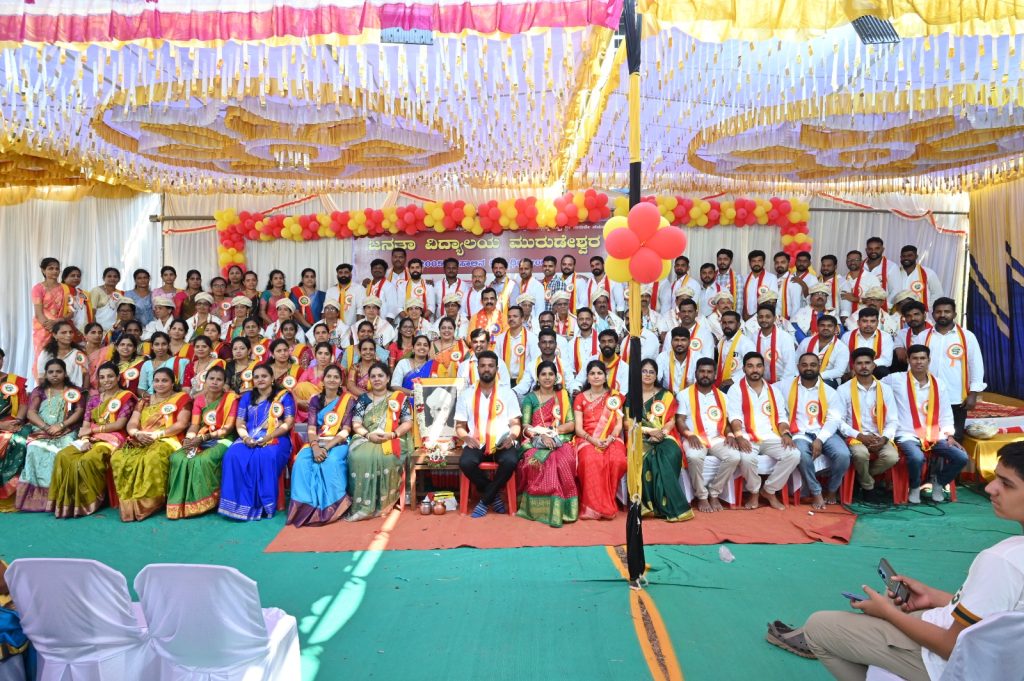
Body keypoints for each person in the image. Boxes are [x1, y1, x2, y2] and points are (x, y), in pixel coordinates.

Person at [796, 442, 1024, 681]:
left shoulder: (1003, 560)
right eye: (996, 478)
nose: (990, 488)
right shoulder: (1010, 555)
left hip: (947, 664)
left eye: (1007, 484)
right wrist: (931, 596)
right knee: (891, 602)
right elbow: (999, 616)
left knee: (818, 627)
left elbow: (953, 647)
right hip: (998, 662)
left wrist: (888, 614)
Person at [49, 362, 135, 518]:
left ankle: (88, 502)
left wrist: (93, 431)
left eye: (110, 376)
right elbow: (86, 424)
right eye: (102, 377)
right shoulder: (94, 399)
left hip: (113, 438)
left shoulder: (126, 397)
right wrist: (85, 439)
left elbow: (119, 424)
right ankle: (67, 503)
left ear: (118, 377)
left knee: (88, 459)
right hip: (90, 437)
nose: (106, 380)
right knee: (63, 455)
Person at [885, 345, 969, 505]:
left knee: (961, 457)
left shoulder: (939, 383)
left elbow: (945, 412)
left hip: (934, 435)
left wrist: (949, 434)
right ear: (908, 360)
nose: (919, 362)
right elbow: (875, 388)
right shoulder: (895, 379)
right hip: (907, 434)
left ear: (929, 360)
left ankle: (939, 482)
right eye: (915, 358)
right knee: (916, 457)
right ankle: (915, 486)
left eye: (922, 358)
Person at [110, 368, 191, 521]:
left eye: (164, 380)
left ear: (172, 382)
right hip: (141, 438)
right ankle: (129, 504)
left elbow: (182, 424)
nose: (160, 384)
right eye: (156, 381)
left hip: (167, 438)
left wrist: (157, 434)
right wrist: (136, 433)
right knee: (119, 457)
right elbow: (132, 422)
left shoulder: (182, 398)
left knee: (151, 458)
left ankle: (149, 503)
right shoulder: (144, 400)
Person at [724, 352, 801, 510]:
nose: (755, 370)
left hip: (770, 436)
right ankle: (754, 492)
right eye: (750, 366)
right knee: (746, 458)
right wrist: (739, 436)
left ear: (763, 368)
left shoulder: (773, 391)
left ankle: (769, 490)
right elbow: (734, 417)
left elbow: (781, 417)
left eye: (759, 366)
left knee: (794, 454)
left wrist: (786, 433)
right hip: (747, 437)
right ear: (744, 369)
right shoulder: (735, 389)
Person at [219, 363, 295, 521]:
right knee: (232, 455)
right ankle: (234, 505)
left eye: (264, 376)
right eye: (256, 377)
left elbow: (288, 423)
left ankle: (262, 506)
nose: (260, 379)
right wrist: (245, 437)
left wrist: (268, 437)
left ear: (272, 378)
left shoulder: (283, 396)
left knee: (264, 457)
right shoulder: (247, 397)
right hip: (249, 436)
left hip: (276, 437)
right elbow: (240, 422)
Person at [678, 358, 755, 512]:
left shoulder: (723, 397)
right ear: (696, 373)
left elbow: (726, 422)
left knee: (734, 456)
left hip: (717, 438)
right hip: (694, 437)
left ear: (714, 375)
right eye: (702, 371)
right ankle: (701, 496)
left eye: (709, 372)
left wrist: (730, 435)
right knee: (693, 456)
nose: (705, 375)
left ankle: (714, 493)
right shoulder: (684, 395)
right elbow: (679, 420)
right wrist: (689, 434)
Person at [456, 351, 522, 518]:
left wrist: (512, 437)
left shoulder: (507, 393)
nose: (487, 369)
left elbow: (516, 424)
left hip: (501, 441)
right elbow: (459, 426)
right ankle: (493, 495)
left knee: (511, 461)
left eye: (491, 366)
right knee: (466, 463)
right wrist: (466, 437)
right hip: (477, 441)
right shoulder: (467, 394)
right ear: (477, 368)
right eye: (483, 365)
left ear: (497, 369)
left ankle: (485, 500)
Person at [166, 366, 238, 519]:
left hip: (223, 439)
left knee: (203, 460)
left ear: (224, 383)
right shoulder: (199, 399)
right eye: (211, 378)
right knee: (178, 458)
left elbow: (228, 428)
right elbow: (194, 424)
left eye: (219, 380)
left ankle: (205, 502)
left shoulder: (231, 399)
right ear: (205, 381)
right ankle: (180, 504)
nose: (215, 382)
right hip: (200, 436)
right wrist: (189, 438)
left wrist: (203, 438)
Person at [780, 353, 851, 508]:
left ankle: (832, 490)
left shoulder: (830, 392)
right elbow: (765, 389)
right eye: (804, 365)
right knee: (801, 454)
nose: (808, 368)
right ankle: (816, 492)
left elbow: (833, 420)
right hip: (799, 433)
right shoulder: (785, 386)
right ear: (798, 367)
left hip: (824, 431)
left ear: (819, 367)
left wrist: (820, 439)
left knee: (843, 455)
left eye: (813, 365)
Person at [15, 359, 85, 512]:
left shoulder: (73, 391)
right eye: (51, 372)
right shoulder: (39, 391)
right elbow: (31, 412)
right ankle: (35, 500)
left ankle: (58, 499)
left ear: (65, 373)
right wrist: (46, 427)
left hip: (66, 431)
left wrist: (61, 425)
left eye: (58, 371)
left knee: (64, 452)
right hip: (41, 431)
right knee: (34, 449)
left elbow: (79, 411)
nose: (55, 375)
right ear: (46, 374)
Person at [288, 365, 353, 527]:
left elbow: (346, 430)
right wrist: (316, 447)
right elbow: (311, 428)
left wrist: (325, 448)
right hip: (316, 440)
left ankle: (332, 507)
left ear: (341, 381)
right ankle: (304, 508)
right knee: (301, 461)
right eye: (329, 376)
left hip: (338, 442)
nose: (332, 380)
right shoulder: (315, 400)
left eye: (336, 377)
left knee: (331, 462)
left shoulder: (348, 400)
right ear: (323, 380)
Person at [346, 362, 412, 521]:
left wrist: (393, 434)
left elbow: (407, 422)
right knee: (358, 456)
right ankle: (362, 505)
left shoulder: (398, 398)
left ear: (388, 378)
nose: (376, 379)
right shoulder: (363, 398)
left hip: (392, 437)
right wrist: (368, 435)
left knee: (387, 457)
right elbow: (356, 423)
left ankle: (384, 504)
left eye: (380, 376)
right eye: (373, 376)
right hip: (366, 437)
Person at [515, 361, 578, 527]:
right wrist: (541, 436)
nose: (547, 377)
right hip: (535, 440)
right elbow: (525, 425)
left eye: (551, 374)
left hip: (559, 438)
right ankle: (540, 510)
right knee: (536, 460)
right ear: (538, 377)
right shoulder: (530, 398)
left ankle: (563, 509)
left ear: (556, 377)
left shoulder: (563, 396)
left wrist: (552, 432)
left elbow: (571, 424)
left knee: (564, 459)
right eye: (543, 374)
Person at [835, 348, 900, 501]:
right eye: (859, 363)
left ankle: (861, 478)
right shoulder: (843, 389)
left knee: (892, 457)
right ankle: (868, 486)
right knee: (861, 454)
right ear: (853, 367)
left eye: (867, 363)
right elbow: (839, 420)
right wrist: (859, 436)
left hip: (879, 436)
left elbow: (893, 420)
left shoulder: (885, 389)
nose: (864, 366)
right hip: (855, 436)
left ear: (873, 366)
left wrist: (884, 438)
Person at [632, 358, 693, 522]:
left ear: (656, 375)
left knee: (670, 454)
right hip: (640, 437)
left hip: (665, 436)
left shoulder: (666, 395)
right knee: (647, 457)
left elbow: (671, 420)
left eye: (651, 372)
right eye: (644, 371)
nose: (647, 375)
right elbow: (627, 423)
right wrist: (650, 431)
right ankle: (650, 506)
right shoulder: (632, 395)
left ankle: (667, 504)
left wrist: (662, 432)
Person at [573, 360, 627, 519]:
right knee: (590, 460)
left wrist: (610, 438)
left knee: (617, 460)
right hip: (587, 438)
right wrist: (593, 440)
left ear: (605, 376)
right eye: (592, 373)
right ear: (587, 377)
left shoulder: (614, 397)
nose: (596, 377)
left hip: (611, 438)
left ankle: (608, 502)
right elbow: (578, 428)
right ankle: (593, 507)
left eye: (599, 373)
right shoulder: (580, 398)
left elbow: (619, 424)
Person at [927, 298, 985, 441]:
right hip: (927, 395)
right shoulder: (924, 336)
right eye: (938, 312)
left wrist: (973, 394)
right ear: (932, 314)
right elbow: (913, 365)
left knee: (955, 438)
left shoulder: (967, 336)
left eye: (947, 311)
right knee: (927, 436)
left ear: (954, 314)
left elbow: (976, 365)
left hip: (956, 396)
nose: (942, 315)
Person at [0, 349, 31, 501]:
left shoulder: (13, 381)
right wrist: (2, 426)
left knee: (22, 436)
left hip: (12, 422)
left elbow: (24, 403)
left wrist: (17, 421)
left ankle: (10, 490)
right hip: (2, 425)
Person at [31, 258, 70, 363]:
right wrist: (51, 328)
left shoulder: (65, 288)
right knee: (43, 358)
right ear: (43, 270)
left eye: (57, 269)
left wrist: (58, 323)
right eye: (50, 268)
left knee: (62, 358)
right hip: (43, 328)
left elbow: (71, 312)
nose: (54, 271)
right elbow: (38, 313)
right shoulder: (38, 288)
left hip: (61, 328)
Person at [797, 314, 848, 388]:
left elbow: (839, 371)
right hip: (804, 375)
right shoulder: (806, 342)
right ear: (817, 327)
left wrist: (816, 376)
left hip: (828, 379)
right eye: (822, 325)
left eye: (829, 326)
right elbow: (796, 361)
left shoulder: (842, 347)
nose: (826, 328)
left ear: (835, 329)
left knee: (823, 385)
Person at [751, 304, 797, 384]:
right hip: (760, 383)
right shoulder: (754, 337)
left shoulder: (785, 337)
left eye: (768, 317)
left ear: (774, 318)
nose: (764, 320)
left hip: (782, 382)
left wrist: (782, 385)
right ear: (757, 319)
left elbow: (790, 366)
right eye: (761, 317)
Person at [36, 320, 88, 389]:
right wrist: (44, 393)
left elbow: (86, 375)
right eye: (64, 333)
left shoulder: (78, 354)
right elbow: (41, 377)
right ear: (55, 335)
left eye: (71, 332)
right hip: (50, 392)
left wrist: (84, 392)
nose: (68, 335)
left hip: (73, 393)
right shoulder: (46, 353)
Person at [845, 306, 894, 377]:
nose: (868, 324)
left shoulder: (886, 337)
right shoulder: (847, 336)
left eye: (872, 321)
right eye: (865, 321)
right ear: (858, 322)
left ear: (877, 323)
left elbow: (887, 360)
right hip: (853, 373)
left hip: (875, 372)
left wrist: (865, 367)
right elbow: (844, 359)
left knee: (883, 371)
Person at [715, 311, 755, 391]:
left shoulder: (746, 343)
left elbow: (752, 366)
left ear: (738, 325)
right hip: (721, 382)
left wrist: (733, 380)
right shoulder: (721, 342)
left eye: (730, 322)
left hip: (739, 384)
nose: (727, 326)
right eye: (724, 323)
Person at [840, 250, 881, 322]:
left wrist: (856, 299)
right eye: (849, 260)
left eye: (856, 260)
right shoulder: (841, 280)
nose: (852, 262)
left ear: (861, 262)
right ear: (846, 262)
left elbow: (877, 300)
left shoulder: (871, 278)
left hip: (866, 320)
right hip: (845, 320)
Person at [324, 263, 364, 327]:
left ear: (351, 275)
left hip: (352, 328)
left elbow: (361, 310)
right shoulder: (331, 291)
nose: (343, 275)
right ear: (337, 275)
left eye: (346, 272)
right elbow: (325, 310)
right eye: (340, 273)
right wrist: (325, 328)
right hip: (333, 328)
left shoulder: (359, 289)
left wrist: (357, 329)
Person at [742, 250, 778, 320]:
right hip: (746, 317)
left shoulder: (771, 278)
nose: (756, 263)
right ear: (749, 263)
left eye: (759, 261)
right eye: (753, 261)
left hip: (764, 318)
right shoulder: (744, 278)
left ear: (764, 262)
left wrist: (754, 316)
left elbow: (773, 301)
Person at [864, 236, 899, 300]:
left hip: (883, 304)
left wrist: (884, 304)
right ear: (866, 250)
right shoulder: (860, 266)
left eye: (877, 248)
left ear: (883, 249)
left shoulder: (892, 267)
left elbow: (895, 291)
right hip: (860, 304)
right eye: (870, 249)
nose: (873, 251)